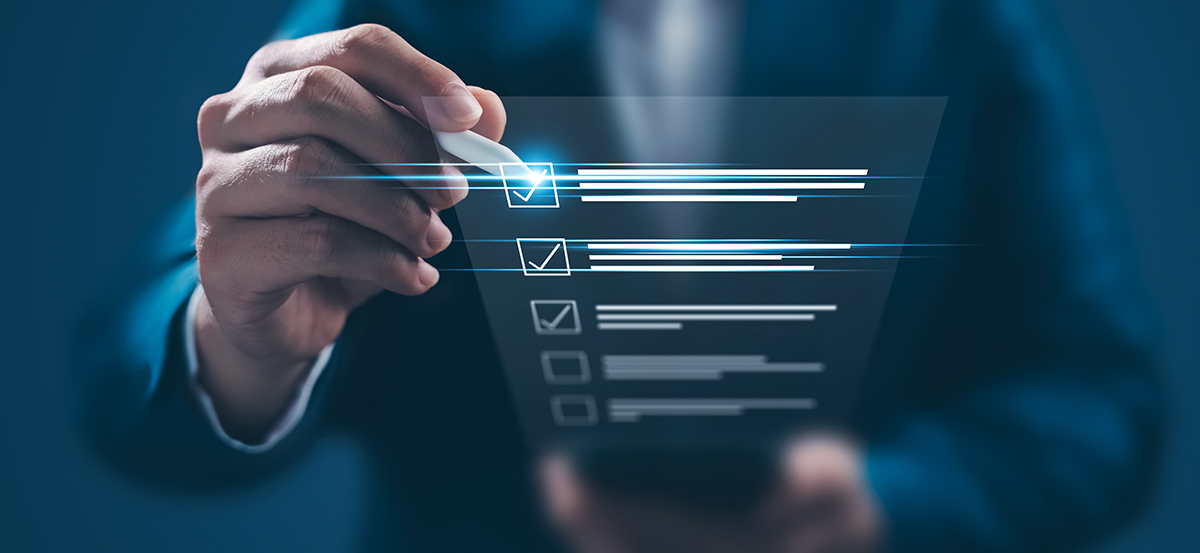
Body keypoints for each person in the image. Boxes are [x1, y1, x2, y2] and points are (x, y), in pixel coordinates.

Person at [74, 0, 1164, 551]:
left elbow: (1099, 393)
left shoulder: (954, 24)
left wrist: (882, 503)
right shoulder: (401, 10)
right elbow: (131, 362)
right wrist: (242, 332)